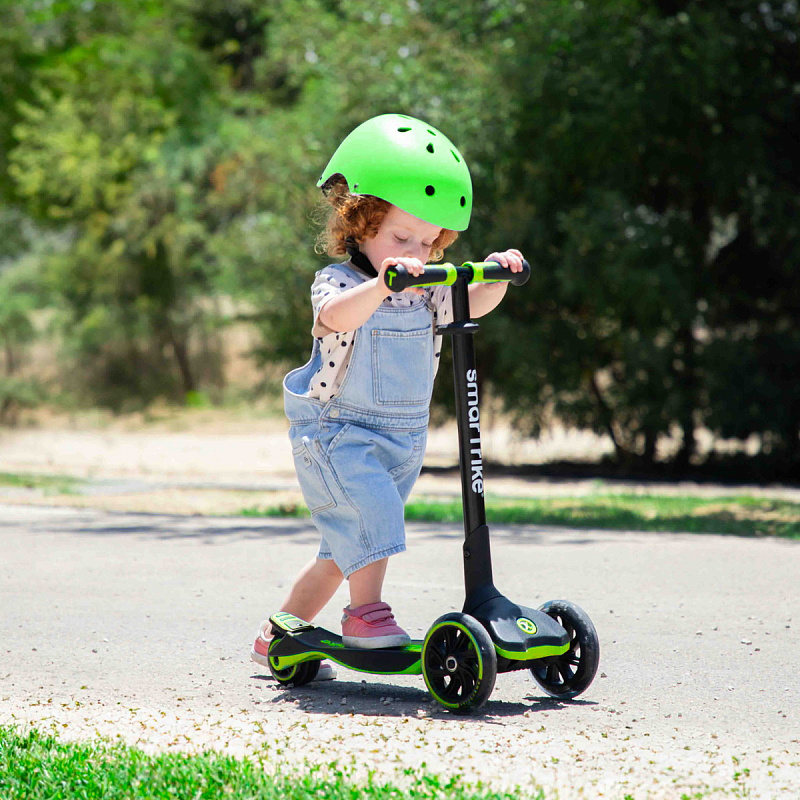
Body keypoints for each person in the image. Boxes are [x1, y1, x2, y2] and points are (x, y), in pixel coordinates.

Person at [251, 113, 524, 680]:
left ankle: (277, 635)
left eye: (429, 241)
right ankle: (365, 616)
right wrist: (382, 284)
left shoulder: (424, 290)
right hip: (336, 435)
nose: (417, 252)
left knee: (343, 552)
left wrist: (496, 277)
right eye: (402, 238)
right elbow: (334, 317)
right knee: (372, 522)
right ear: (362, 222)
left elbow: (469, 304)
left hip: (402, 439)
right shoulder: (341, 282)